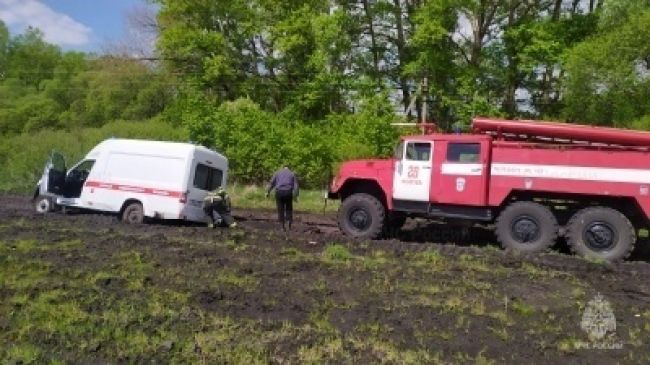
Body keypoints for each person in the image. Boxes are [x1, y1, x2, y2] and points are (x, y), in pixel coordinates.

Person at [266, 165, 299, 231]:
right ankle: (289, 225)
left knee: (280, 209)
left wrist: (268, 192)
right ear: (289, 168)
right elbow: (296, 185)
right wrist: (296, 195)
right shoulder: (292, 174)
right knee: (289, 208)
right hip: (288, 192)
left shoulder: (277, 173)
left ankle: (282, 226)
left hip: (279, 192)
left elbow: (272, 183)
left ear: (283, 168)